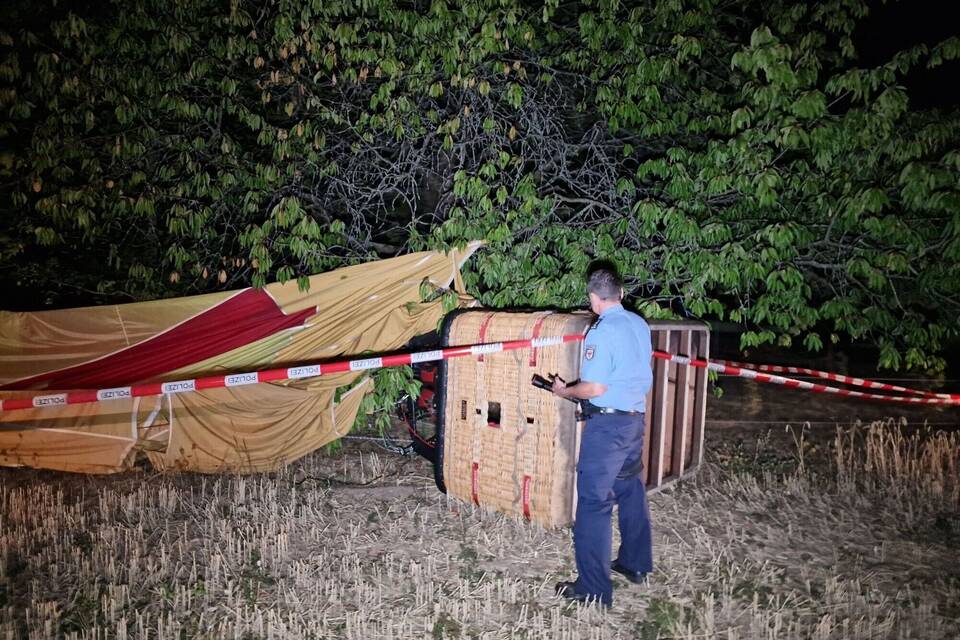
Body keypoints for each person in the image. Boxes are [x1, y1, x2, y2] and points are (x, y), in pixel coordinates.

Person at [551, 267, 654, 607]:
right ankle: (635, 564)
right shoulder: (638, 324)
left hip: (608, 429)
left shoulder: (601, 331)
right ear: (621, 293)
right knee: (630, 490)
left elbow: (595, 388)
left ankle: (594, 589)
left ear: (593, 299)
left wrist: (566, 391)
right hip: (634, 421)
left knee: (594, 505)